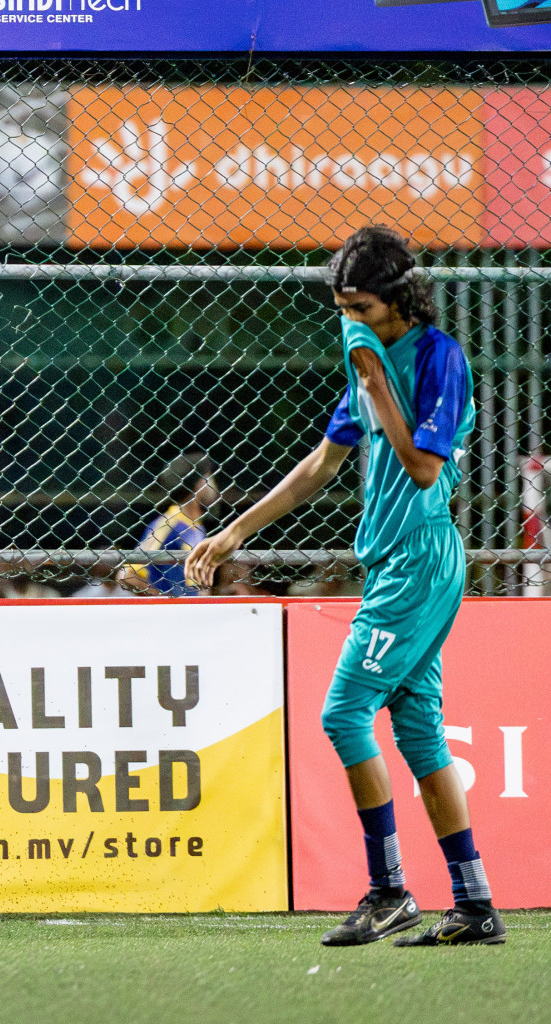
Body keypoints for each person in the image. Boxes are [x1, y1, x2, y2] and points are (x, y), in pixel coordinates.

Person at [189, 225, 504, 948]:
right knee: (422, 736)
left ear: (395, 299)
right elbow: (322, 464)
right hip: (394, 564)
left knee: (342, 713)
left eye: (358, 305)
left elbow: (423, 469)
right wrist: (235, 530)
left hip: (420, 561)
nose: (346, 319)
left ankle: (390, 891)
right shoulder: (365, 354)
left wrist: (374, 381)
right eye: (339, 305)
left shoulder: (436, 359)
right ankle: (475, 902)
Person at [118, 453, 219, 596]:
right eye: (209, 477)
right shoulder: (169, 523)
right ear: (200, 483)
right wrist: (166, 601)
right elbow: (127, 576)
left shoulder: (196, 527)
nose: (214, 486)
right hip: (174, 614)